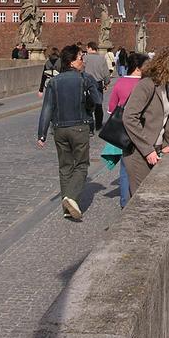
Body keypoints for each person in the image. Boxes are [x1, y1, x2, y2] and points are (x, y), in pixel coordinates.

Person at [36, 45, 102, 221]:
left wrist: (41, 134)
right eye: (81, 58)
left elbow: (47, 109)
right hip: (79, 127)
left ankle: (67, 209)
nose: (83, 61)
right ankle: (71, 197)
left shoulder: (53, 82)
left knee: (65, 167)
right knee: (81, 165)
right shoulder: (85, 79)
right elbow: (97, 100)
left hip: (59, 129)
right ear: (72, 62)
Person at [122, 47, 169, 197]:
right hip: (138, 154)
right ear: (168, 66)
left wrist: (162, 146)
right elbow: (129, 117)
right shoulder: (146, 85)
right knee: (141, 201)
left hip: (153, 151)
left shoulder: (164, 86)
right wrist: (148, 149)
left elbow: (160, 121)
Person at [101, 52, 149, 208]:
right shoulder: (145, 85)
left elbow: (111, 109)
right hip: (141, 131)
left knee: (124, 168)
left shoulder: (120, 83)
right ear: (137, 68)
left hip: (123, 132)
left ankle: (124, 202)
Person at [83, 41, 110, 131]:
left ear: (90, 48)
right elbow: (106, 73)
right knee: (98, 105)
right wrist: (106, 83)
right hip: (98, 83)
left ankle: (89, 126)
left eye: (87, 48)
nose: (86, 49)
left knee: (87, 105)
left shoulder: (84, 58)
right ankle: (98, 125)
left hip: (86, 83)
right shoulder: (102, 59)